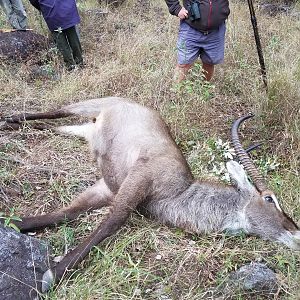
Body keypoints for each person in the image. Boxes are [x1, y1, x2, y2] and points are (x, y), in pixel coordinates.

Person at [165, 0, 230, 82]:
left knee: (209, 62)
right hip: (190, 26)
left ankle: (204, 89)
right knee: (183, 64)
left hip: (216, 30)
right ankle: (176, 93)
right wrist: (176, 8)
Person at [29, 0, 84, 70]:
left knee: (61, 42)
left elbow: (34, 1)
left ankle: (71, 66)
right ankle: (79, 62)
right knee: (73, 38)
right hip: (67, 8)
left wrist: (42, 7)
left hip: (50, 11)